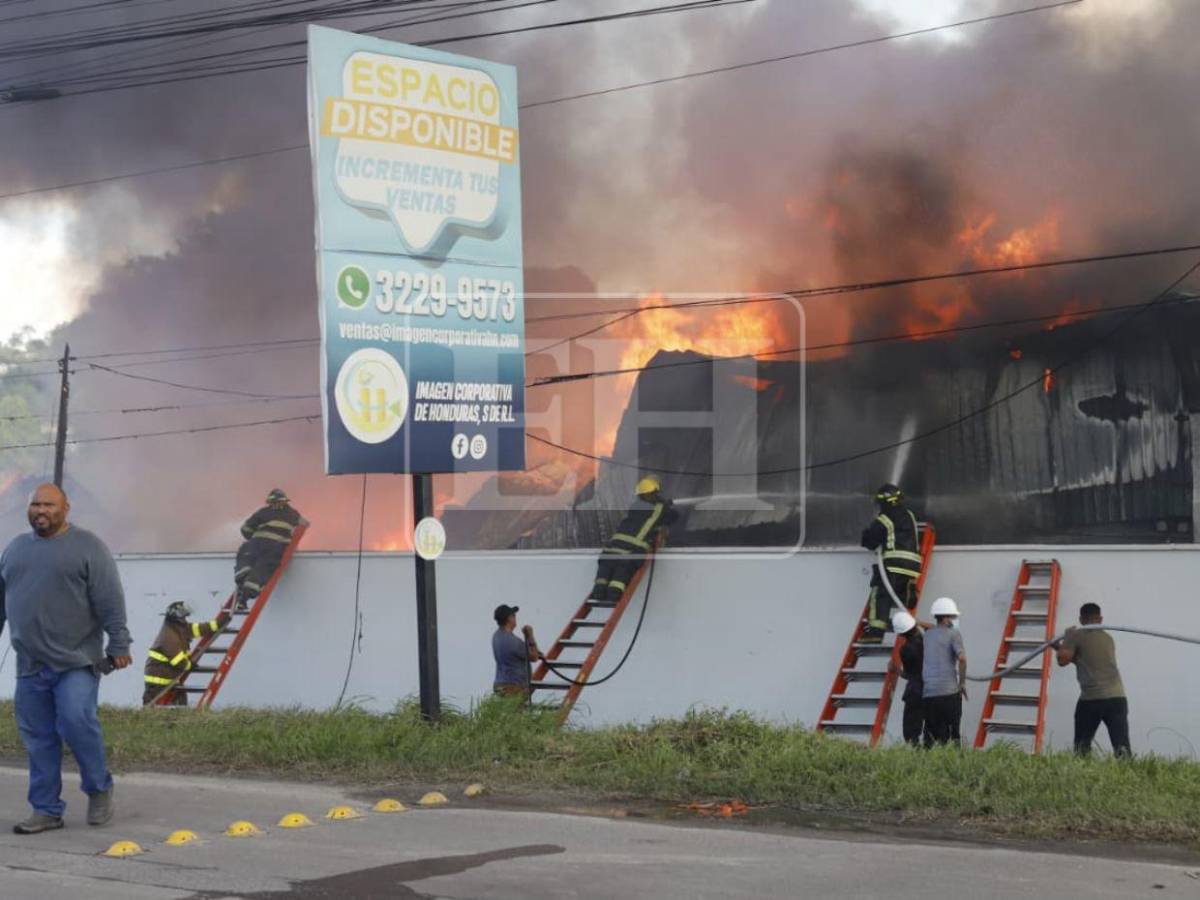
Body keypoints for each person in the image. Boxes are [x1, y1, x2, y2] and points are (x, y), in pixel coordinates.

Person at [0, 483, 132, 834]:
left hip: (76, 662)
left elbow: (110, 600)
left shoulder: (88, 547)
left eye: (48, 504)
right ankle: (46, 809)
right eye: (35, 505)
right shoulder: (14, 549)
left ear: (65, 508)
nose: (40, 511)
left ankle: (99, 788)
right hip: (30, 666)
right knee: (38, 738)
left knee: (76, 722)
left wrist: (119, 643)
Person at [1055, 602, 1131, 757]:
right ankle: (1128, 774)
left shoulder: (1076, 635)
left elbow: (1063, 660)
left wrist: (1068, 638)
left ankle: (1082, 772)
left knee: (1082, 746)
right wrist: (1057, 646)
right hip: (1117, 698)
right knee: (1122, 746)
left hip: (1092, 699)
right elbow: (1082, 660)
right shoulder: (1108, 638)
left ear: (1081, 619)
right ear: (1100, 619)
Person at [587, 475, 677, 604]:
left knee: (606, 567)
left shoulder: (635, 507)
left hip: (613, 548)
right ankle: (613, 594)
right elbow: (673, 517)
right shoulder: (660, 508)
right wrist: (666, 504)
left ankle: (599, 591)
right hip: (632, 550)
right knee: (622, 571)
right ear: (654, 493)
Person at [859, 483, 923, 643]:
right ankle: (907, 591)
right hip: (913, 565)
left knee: (880, 594)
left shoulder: (884, 519)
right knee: (897, 588)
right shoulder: (910, 515)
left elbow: (870, 542)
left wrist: (865, 533)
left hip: (893, 563)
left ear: (883, 503)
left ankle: (875, 632)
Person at [142, 601, 232, 706]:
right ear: (176, 616)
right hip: (158, 678)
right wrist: (189, 665)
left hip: (169, 676)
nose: (185, 618)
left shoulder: (179, 628)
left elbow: (199, 628)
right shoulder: (169, 635)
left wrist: (217, 624)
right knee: (153, 704)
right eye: (183, 615)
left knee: (179, 699)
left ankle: (180, 719)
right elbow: (177, 659)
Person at [234, 488, 304, 611]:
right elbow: (304, 524)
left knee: (247, 558)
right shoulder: (293, 514)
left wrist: (252, 536)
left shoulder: (263, 512)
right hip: (275, 547)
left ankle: (243, 589)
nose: (275, 505)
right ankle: (245, 589)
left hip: (258, 545)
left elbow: (245, 529)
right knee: (260, 569)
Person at [922, 596, 966, 746]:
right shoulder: (954, 634)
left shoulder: (927, 635)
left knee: (930, 737)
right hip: (949, 693)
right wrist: (962, 684)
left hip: (929, 693)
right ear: (947, 618)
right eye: (953, 616)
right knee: (954, 736)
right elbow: (962, 659)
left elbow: (930, 628)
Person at [888, 610, 928, 747]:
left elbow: (909, 674)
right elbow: (941, 629)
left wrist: (896, 670)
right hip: (934, 689)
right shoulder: (929, 639)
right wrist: (919, 623)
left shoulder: (905, 650)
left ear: (900, 633)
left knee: (911, 732)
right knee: (933, 730)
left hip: (916, 691)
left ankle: (917, 757)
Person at [492, 604, 541, 701]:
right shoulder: (513, 641)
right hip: (513, 687)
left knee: (506, 715)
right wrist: (530, 635)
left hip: (500, 684)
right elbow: (534, 657)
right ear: (509, 619)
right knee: (517, 716)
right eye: (514, 615)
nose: (515, 618)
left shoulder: (496, 636)